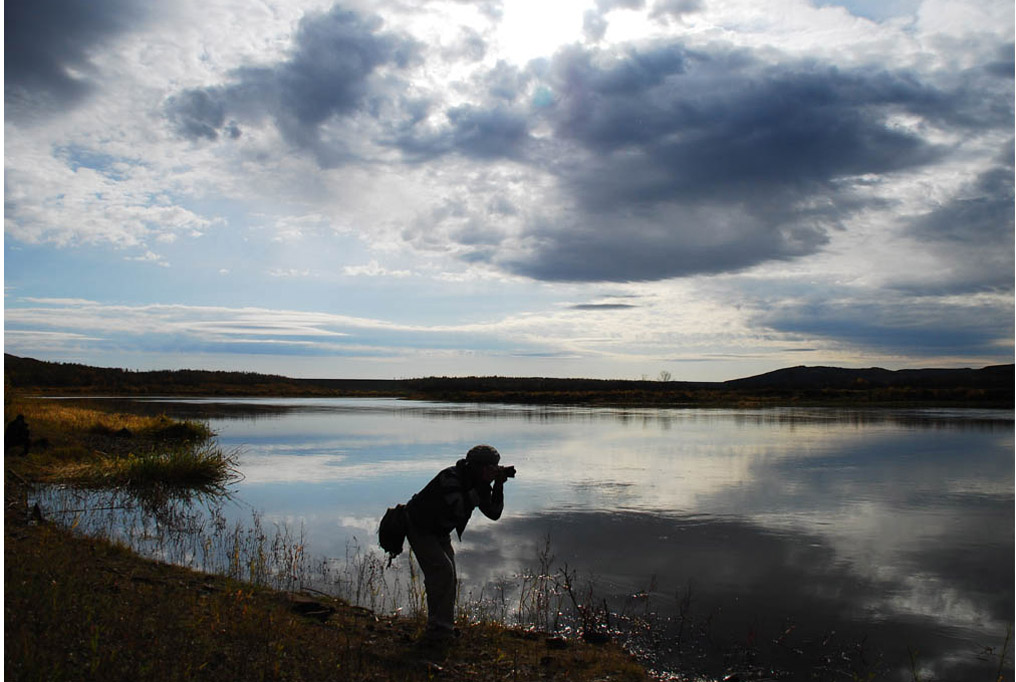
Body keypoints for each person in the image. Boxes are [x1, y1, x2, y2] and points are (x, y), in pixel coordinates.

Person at [404, 444, 511, 640]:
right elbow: (459, 508)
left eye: (495, 467)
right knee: (442, 571)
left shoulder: (479, 483)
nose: (493, 470)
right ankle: (440, 630)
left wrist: (498, 485)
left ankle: (439, 626)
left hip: (439, 531)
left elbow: (494, 513)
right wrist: (481, 487)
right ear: (477, 466)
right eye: (490, 467)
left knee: (448, 577)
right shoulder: (450, 478)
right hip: (418, 526)